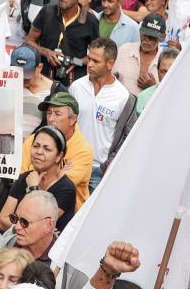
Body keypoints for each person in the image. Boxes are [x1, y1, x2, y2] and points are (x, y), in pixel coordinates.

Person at [68, 38, 133, 191]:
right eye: (89, 58)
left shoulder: (123, 97)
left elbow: (126, 136)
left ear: (110, 64)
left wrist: (107, 165)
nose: (89, 64)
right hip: (71, 164)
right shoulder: (76, 87)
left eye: (95, 61)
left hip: (99, 171)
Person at [0, 124, 77, 233]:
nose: (39, 152)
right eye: (36, 146)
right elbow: (2, 221)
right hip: (18, 247)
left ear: (59, 156)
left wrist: (33, 189)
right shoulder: (23, 178)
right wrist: (24, 225)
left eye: (47, 149)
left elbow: (37, 227)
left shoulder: (66, 188)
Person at [26, 0, 98, 85]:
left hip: (74, 82)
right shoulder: (47, 11)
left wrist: (76, 62)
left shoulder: (90, 20)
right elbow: (29, 41)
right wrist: (47, 52)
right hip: (43, 78)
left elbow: (96, 56)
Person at [20, 92, 92, 197]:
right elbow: (19, 179)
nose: (50, 119)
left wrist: (34, 172)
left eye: (57, 114)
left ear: (72, 119)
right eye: (49, 113)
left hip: (70, 211)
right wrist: (59, 171)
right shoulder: (32, 140)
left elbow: (59, 188)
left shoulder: (83, 150)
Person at [113, 12, 165, 96]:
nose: (146, 40)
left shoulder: (166, 59)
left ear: (162, 37)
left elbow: (170, 95)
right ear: (140, 30)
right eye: (144, 34)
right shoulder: (124, 50)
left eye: (152, 37)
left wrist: (153, 88)